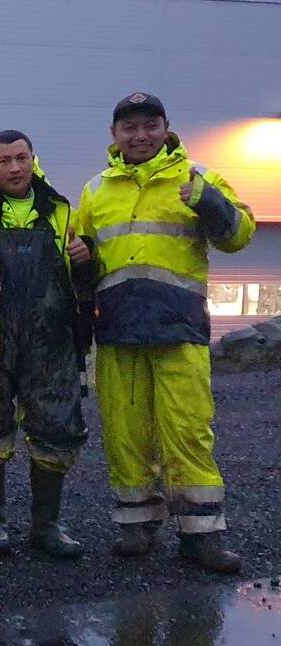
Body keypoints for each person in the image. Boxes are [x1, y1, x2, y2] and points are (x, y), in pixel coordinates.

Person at [75, 93, 255, 573]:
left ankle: (202, 535)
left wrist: (209, 203)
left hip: (178, 329)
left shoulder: (198, 178)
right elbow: (83, 248)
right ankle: (136, 524)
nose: (139, 136)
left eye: (148, 126)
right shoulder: (96, 190)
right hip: (117, 329)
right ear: (113, 135)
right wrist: (81, 255)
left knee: (189, 432)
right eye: (129, 127)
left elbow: (238, 236)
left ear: (166, 128)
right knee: (124, 433)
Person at [0, 130, 93, 559]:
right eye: (5, 161)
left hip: (50, 343)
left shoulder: (61, 211)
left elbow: (84, 283)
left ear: (34, 159)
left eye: (21, 158)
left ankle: (46, 526)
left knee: (56, 429)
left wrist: (87, 257)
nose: (15, 168)